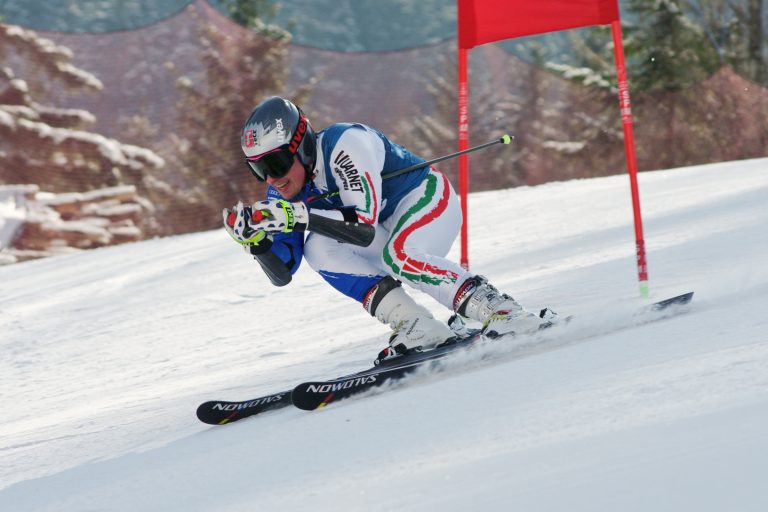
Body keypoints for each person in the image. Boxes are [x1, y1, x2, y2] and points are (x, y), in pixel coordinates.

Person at [224, 96, 554, 362]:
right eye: (258, 169)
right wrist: (257, 244)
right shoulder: (282, 192)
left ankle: (503, 311)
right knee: (318, 248)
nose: (271, 178)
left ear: (303, 146)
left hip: (424, 199)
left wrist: (298, 217)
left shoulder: (345, 145)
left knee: (399, 255)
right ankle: (418, 326)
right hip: (383, 230)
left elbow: (363, 228)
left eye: (276, 164)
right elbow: (283, 272)